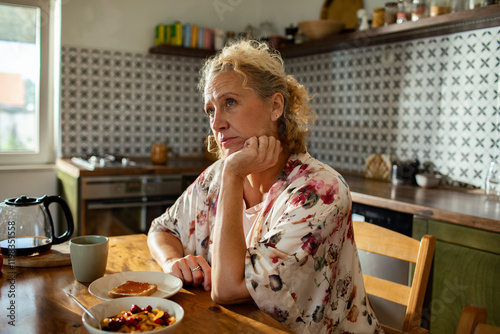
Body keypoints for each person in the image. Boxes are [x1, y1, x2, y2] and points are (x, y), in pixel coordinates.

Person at [147, 39, 382, 333]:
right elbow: (162, 229)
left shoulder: (320, 191)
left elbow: (228, 290)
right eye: (210, 110)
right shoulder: (216, 175)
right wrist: (172, 262)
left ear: (275, 106)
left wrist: (233, 177)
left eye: (229, 103)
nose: (216, 123)